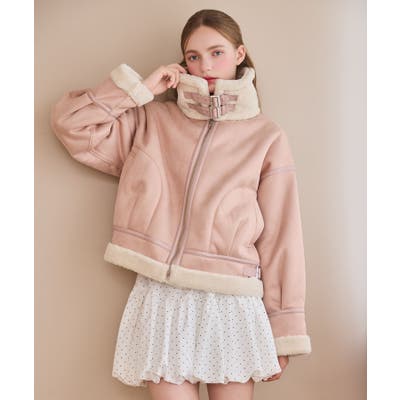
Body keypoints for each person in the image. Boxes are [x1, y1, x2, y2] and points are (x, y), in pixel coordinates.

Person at [50, 8, 311, 400]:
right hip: (165, 295)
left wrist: (284, 330)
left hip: (232, 300)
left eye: (217, 52)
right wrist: (141, 89)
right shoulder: (152, 122)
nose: (205, 65)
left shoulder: (266, 136)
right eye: (193, 56)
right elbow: (71, 124)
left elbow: (281, 236)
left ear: (239, 54)